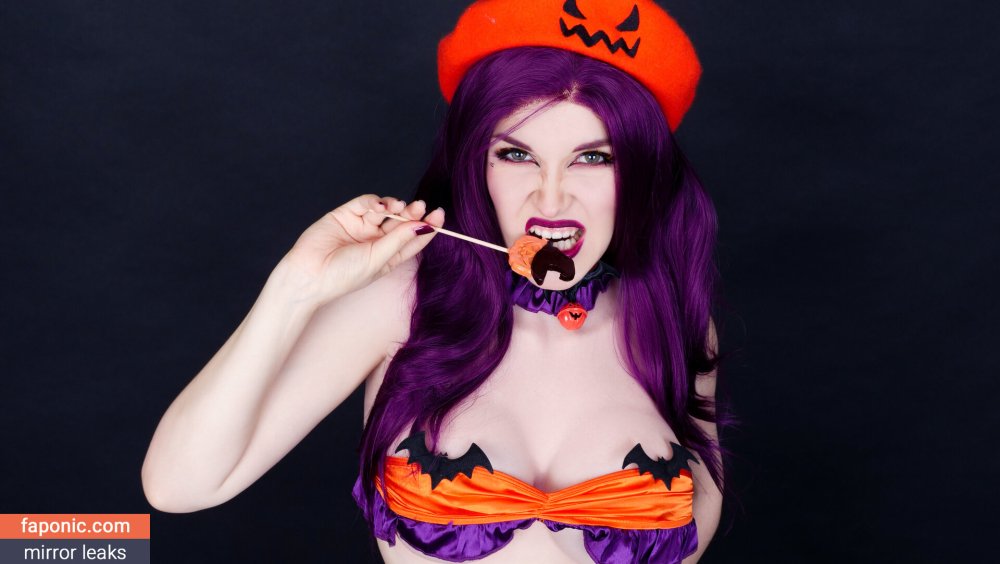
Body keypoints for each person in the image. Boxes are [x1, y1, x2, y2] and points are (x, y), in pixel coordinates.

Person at [142, 1, 728, 562]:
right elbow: (177, 486)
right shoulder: (403, 299)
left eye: (593, 158)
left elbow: (697, 517)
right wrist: (295, 287)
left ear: (643, 171)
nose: (550, 199)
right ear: (477, 163)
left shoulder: (672, 317)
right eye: (516, 155)